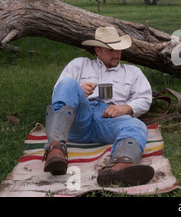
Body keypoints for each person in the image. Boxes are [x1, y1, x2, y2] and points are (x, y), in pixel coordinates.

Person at [42, 26, 154, 187]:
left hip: (109, 121)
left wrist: (125, 108)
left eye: (119, 50)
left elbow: (144, 98)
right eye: (110, 50)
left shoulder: (132, 72)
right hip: (79, 118)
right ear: (98, 50)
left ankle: (122, 166)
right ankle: (55, 150)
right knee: (68, 83)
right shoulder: (79, 65)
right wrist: (78, 91)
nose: (116, 54)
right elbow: (59, 94)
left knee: (137, 125)